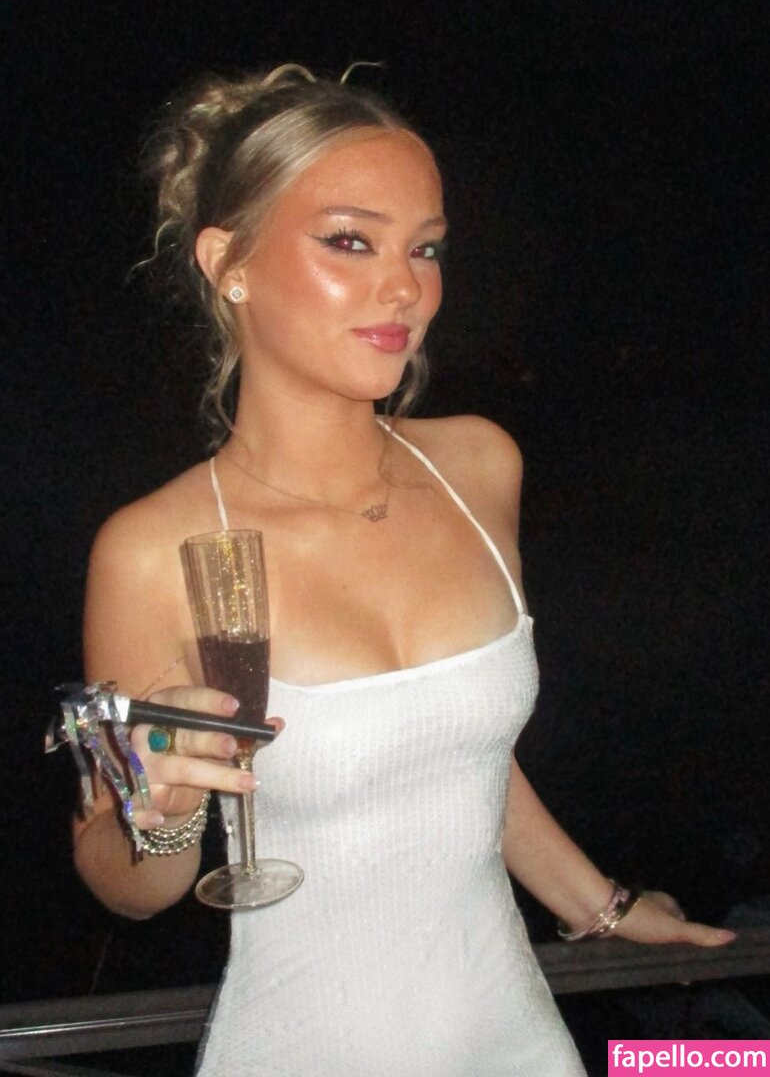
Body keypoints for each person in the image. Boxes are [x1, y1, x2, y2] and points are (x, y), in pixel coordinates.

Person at [73, 65, 735, 1076]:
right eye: (350, 241)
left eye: (424, 248)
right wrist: (160, 812)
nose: (405, 288)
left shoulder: (478, 466)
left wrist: (601, 907)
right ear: (228, 263)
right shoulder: (152, 547)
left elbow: (459, 754)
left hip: (517, 1041)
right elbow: (126, 887)